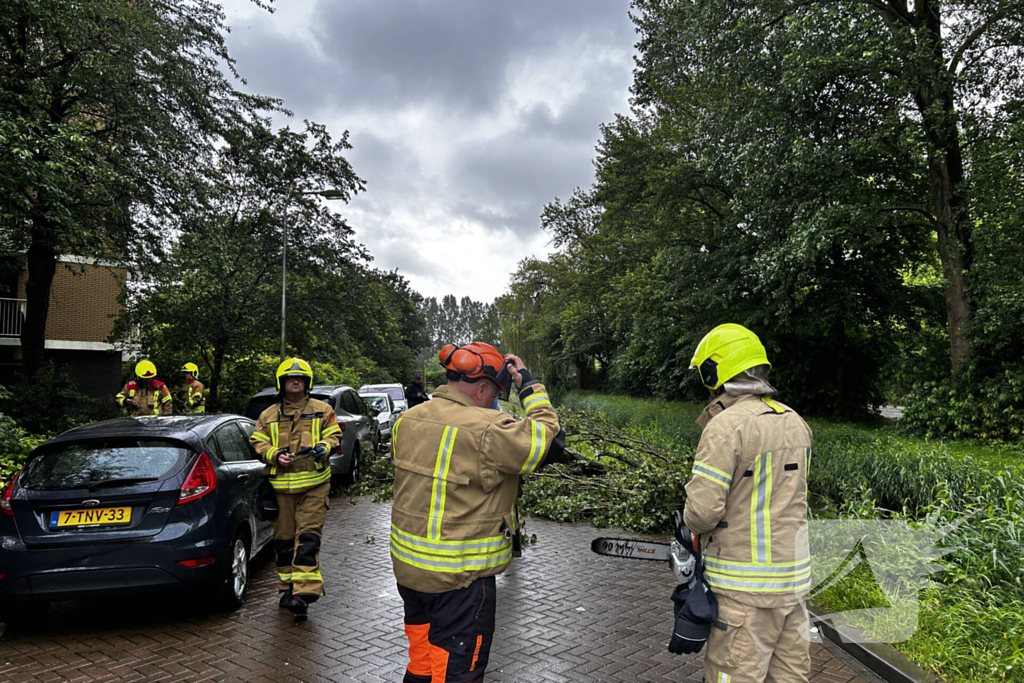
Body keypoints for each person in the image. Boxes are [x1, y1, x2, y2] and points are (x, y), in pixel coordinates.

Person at [391, 342, 565, 683]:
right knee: (456, 675)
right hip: (459, 580)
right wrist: (529, 386)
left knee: (423, 666)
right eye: (495, 394)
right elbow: (551, 442)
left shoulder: (406, 421)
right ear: (483, 387)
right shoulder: (486, 428)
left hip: (410, 573)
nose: (494, 401)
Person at [679, 324, 813, 683]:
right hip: (794, 588)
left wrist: (687, 524)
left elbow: (702, 513)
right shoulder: (796, 422)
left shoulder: (726, 427)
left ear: (714, 372)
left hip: (744, 595)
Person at [248, 358, 342, 616]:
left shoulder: (323, 410)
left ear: (307, 382)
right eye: (290, 378)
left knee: (308, 538)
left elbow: (333, 435)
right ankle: (287, 589)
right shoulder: (267, 415)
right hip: (280, 490)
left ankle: (304, 592)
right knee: (284, 542)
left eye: (300, 378)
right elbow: (258, 442)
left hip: (314, 486)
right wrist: (275, 455)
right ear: (282, 383)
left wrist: (324, 448)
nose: (295, 381)